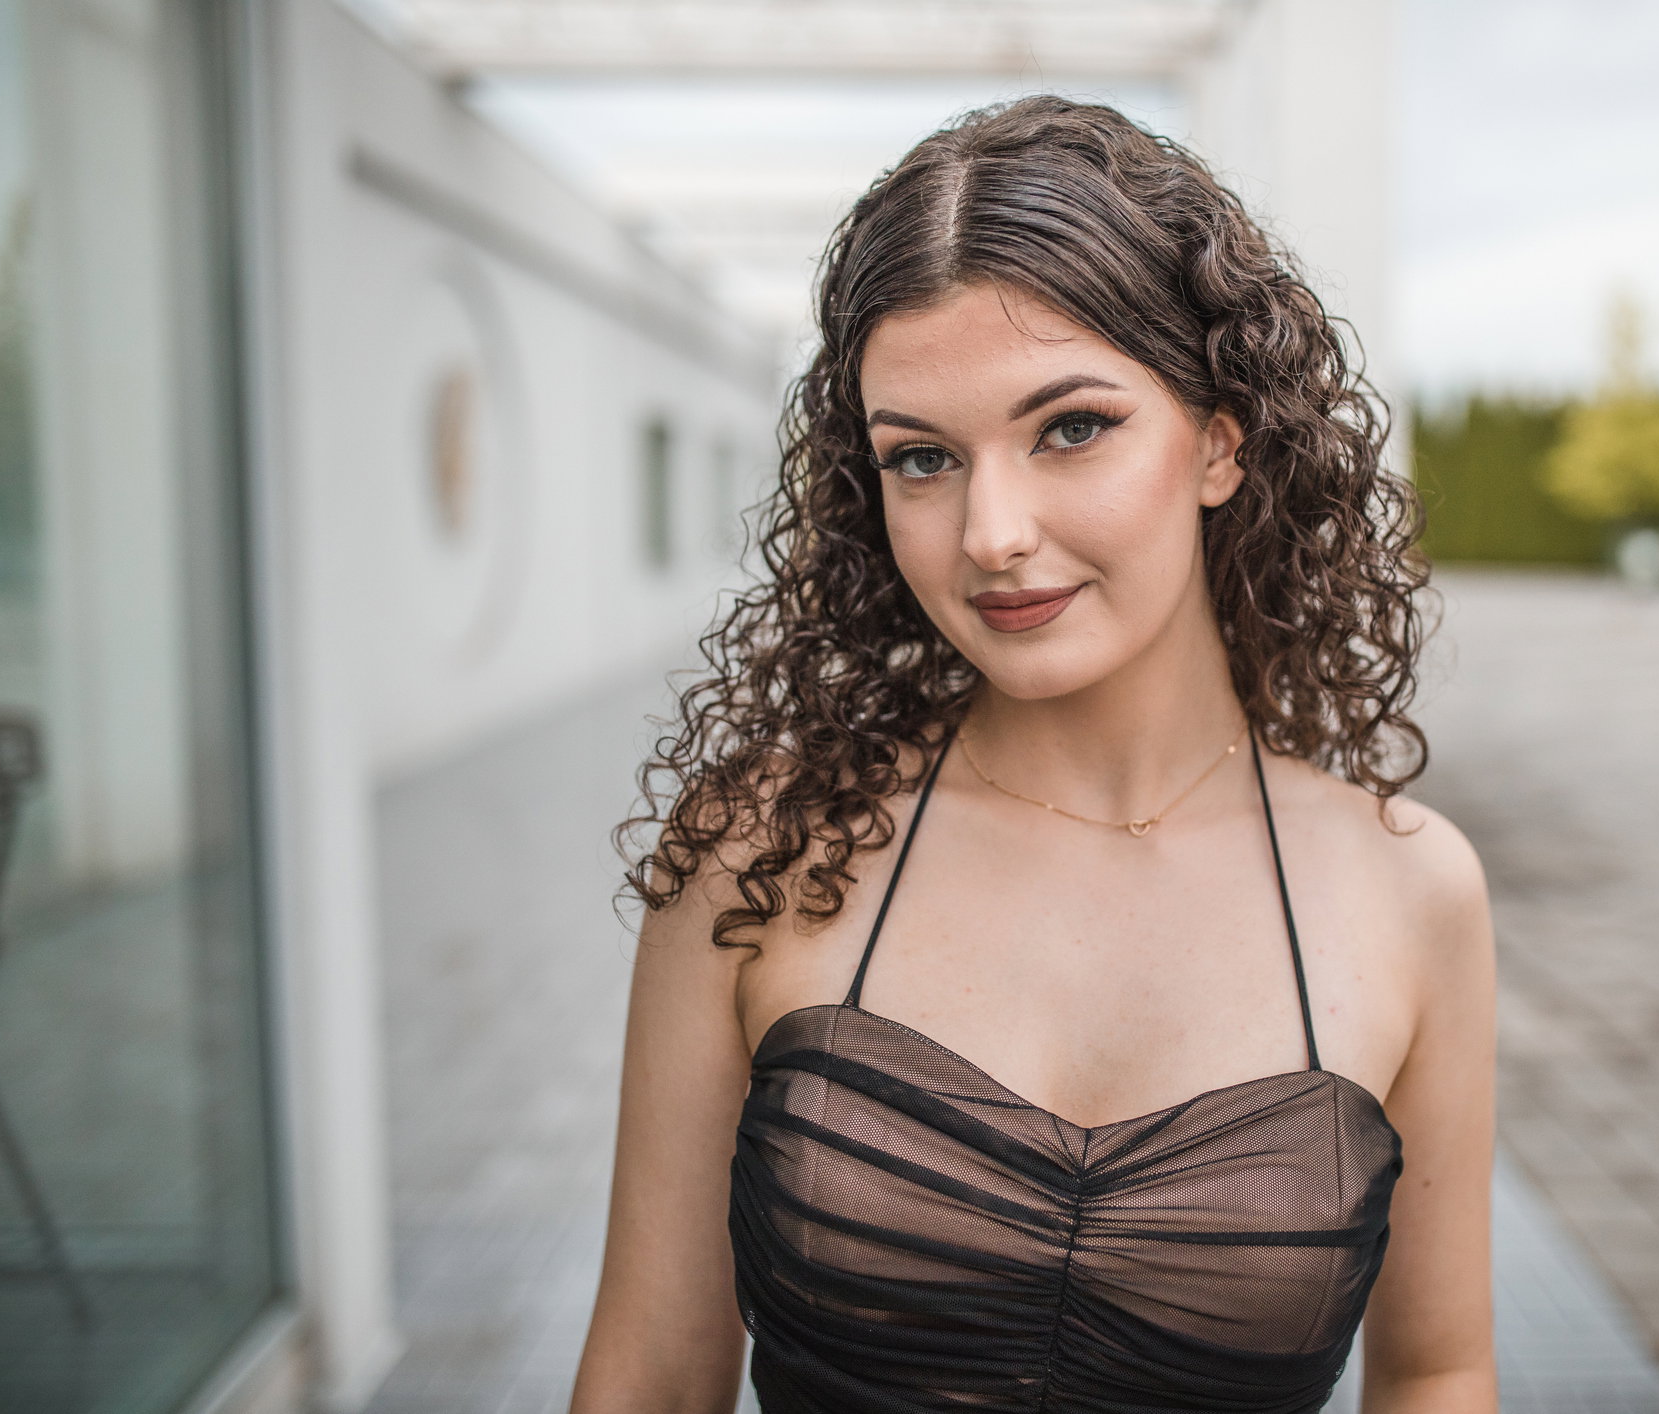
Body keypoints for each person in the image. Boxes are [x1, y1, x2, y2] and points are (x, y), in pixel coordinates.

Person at [569, 95, 1496, 1414]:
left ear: (1219, 439)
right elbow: (651, 1379)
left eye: (1069, 428)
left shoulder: (1407, 891)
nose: (990, 531)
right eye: (924, 458)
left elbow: (1439, 1372)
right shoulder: (762, 855)